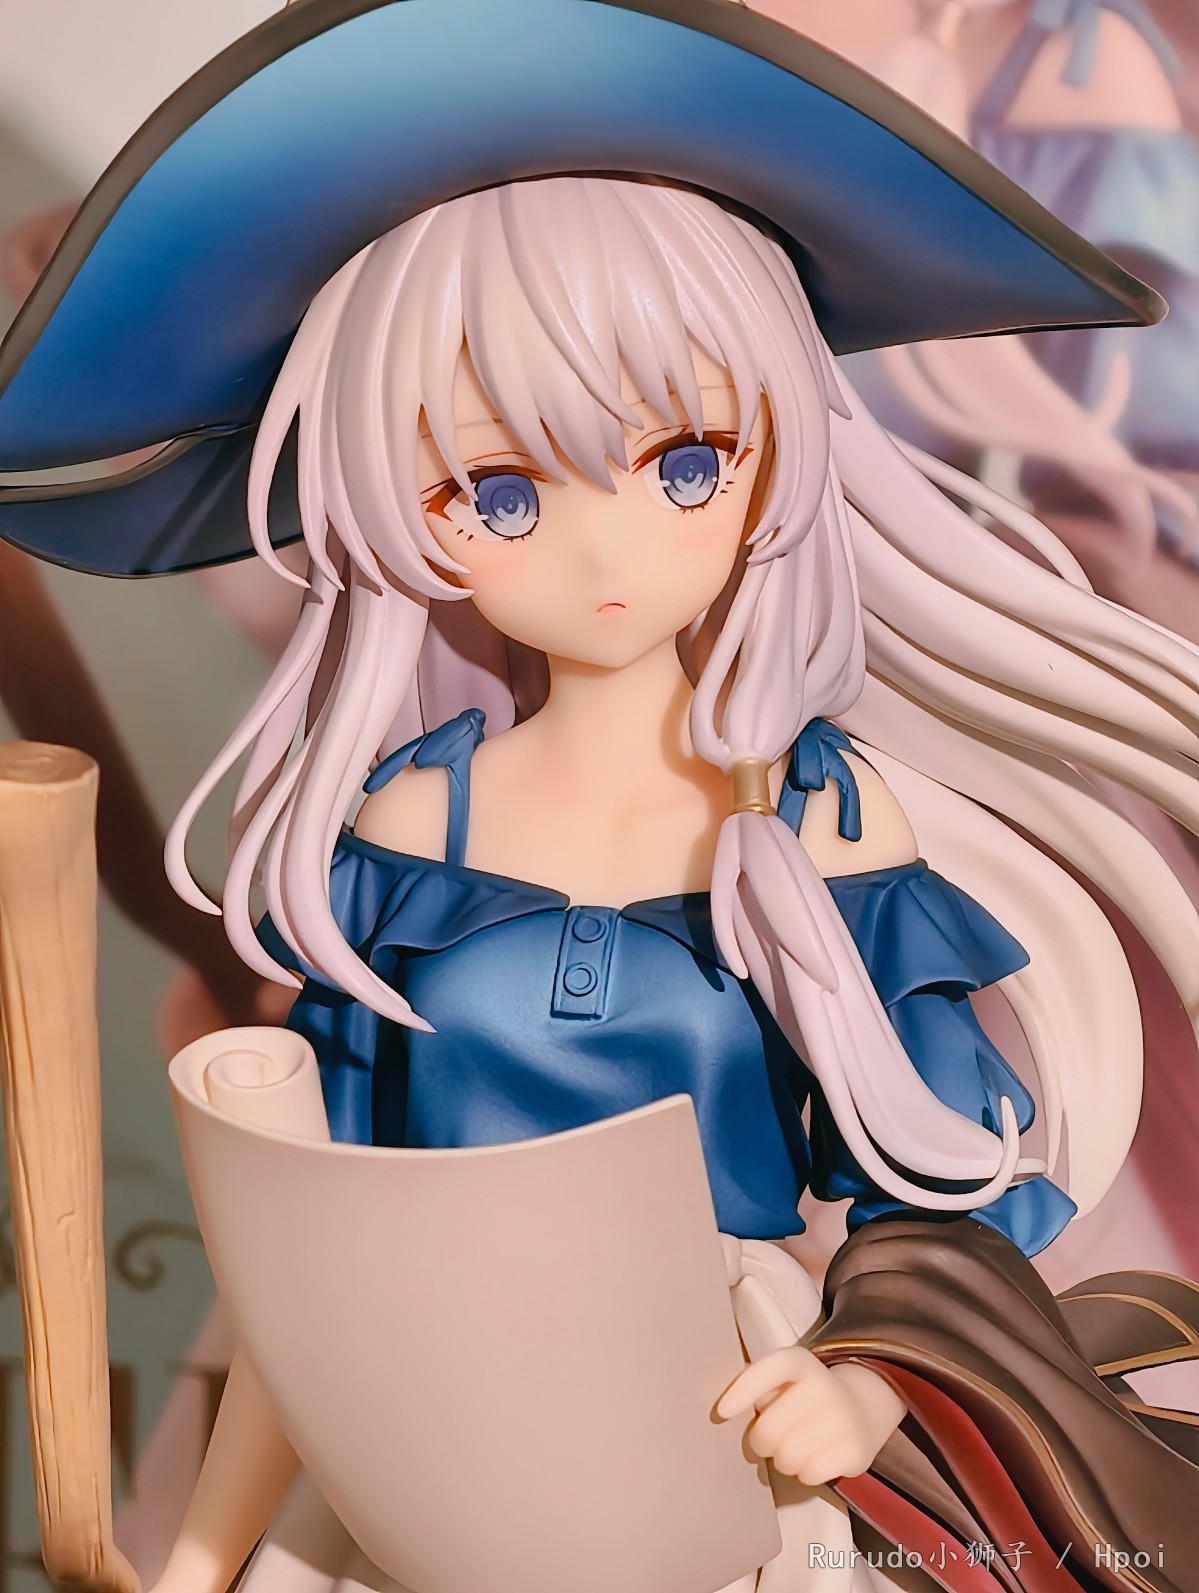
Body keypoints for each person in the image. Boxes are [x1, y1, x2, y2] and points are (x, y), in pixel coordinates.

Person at [2, 3, 1198, 1588]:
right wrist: (199, 1560)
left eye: (687, 463)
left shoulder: (821, 821)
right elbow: (317, 1283)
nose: (605, 549)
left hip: (714, 1440)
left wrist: (862, 1380)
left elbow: (929, 1197)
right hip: (420, 1451)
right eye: (497, 490)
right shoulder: (404, 834)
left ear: (778, 449)